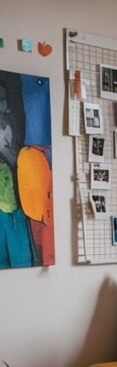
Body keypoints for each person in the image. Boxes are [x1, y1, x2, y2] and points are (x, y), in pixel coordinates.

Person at [0, 78, 36, 267]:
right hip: (4, 207)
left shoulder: (11, 128)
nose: (5, 107)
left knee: (22, 259)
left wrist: (6, 151)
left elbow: (19, 164)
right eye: (0, 100)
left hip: (17, 205)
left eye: (4, 99)